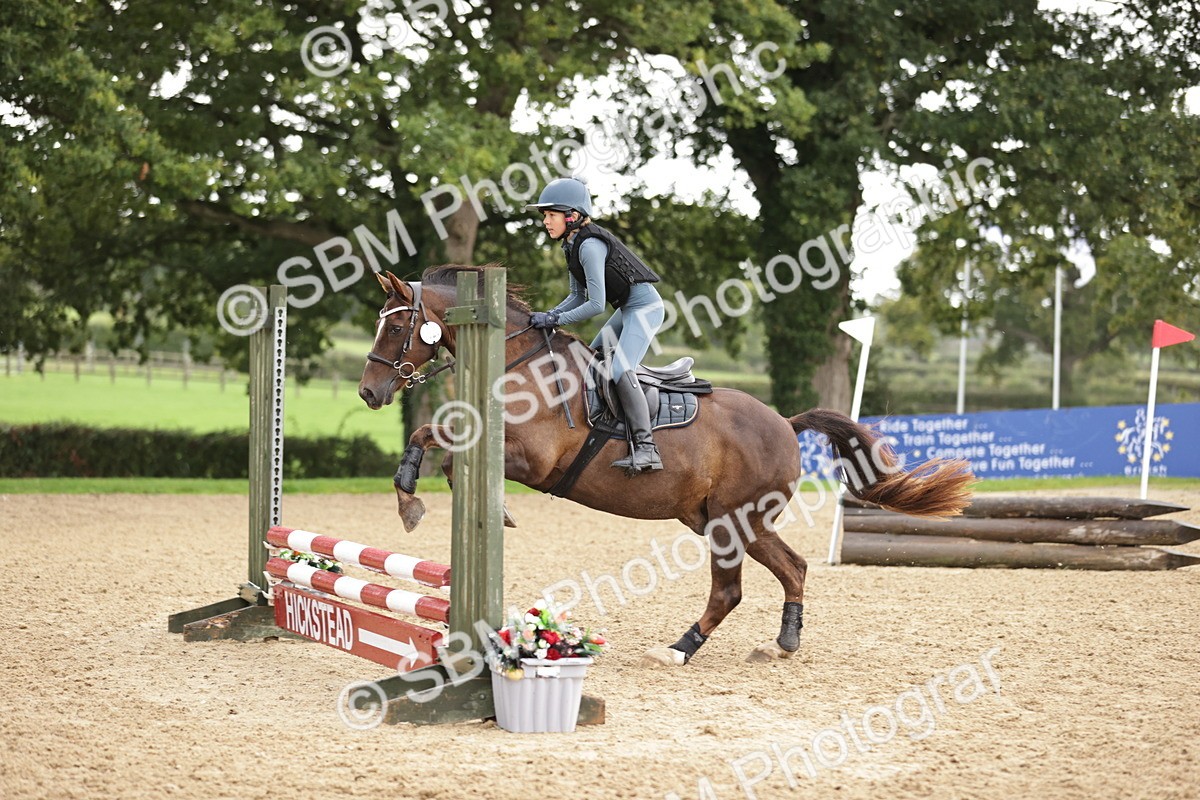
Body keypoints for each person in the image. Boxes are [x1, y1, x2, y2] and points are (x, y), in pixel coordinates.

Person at [525, 177, 666, 474]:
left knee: (618, 370)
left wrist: (555, 320)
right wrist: (549, 315)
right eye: (545, 216)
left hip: (645, 309)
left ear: (571, 216)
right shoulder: (571, 245)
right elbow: (576, 296)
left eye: (551, 215)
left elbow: (595, 305)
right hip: (627, 308)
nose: (546, 222)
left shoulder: (589, 246)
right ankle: (607, 428)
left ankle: (647, 448)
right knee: (590, 358)